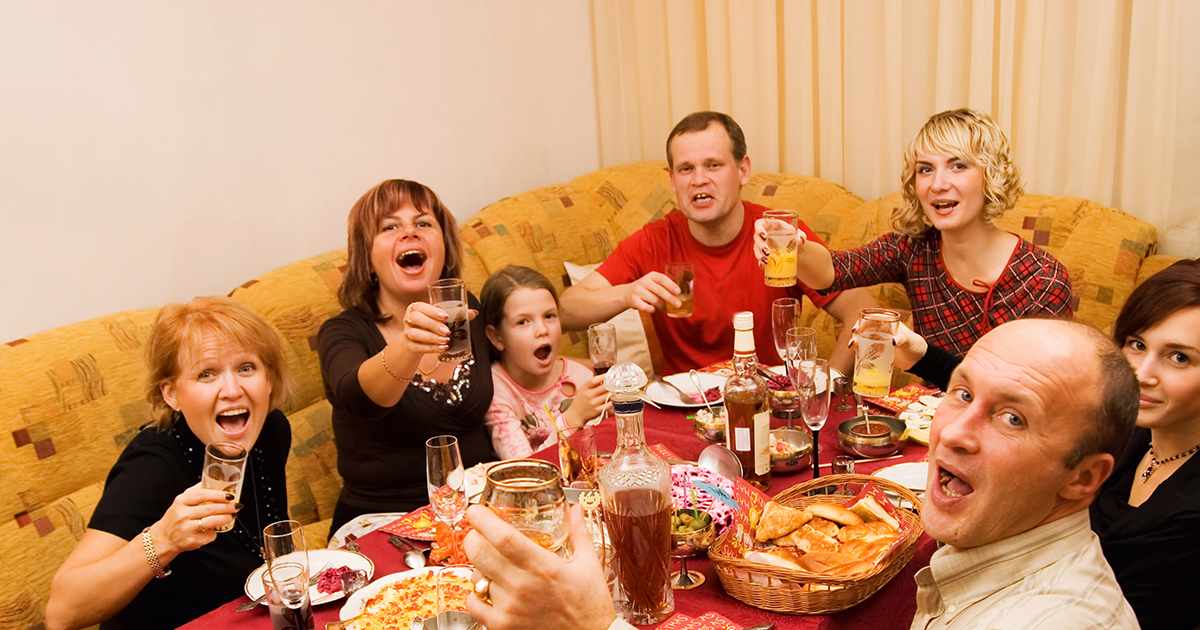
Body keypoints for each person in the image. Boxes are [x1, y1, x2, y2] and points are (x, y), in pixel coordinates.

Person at [461, 318, 1142, 630]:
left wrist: (591, 623)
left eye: (1013, 418)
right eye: (960, 393)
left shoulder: (1049, 619)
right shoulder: (990, 549)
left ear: (1084, 479)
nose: (954, 431)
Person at [560, 111, 875, 376]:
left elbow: (865, 313)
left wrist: (826, 387)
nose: (698, 179)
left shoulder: (778, 235)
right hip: (682, 407)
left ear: (743, 170)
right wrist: (626, 294)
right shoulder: (654, 241)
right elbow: (566, 311)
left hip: (766, 405)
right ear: (672, 181)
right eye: (686, 169)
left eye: (713, 165)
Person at [45, 297, 294, 630]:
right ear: (170, 394)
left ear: (269, 379)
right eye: (207, 374)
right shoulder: (151, 466)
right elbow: (61, 612)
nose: (232, 389)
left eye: (246, 368)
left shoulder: (270, 431)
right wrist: (163, 539)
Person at [767, 108, 1073, 357]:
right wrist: (795, 247)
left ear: (991, 176)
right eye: (926, 169)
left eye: (958, 166)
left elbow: (1038, 391)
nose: (938, 184)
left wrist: (920, 357)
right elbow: (833, 271)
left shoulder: (1042, 280)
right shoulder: (913, 249)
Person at [317, 179, 494, 535]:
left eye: (423, 223)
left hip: (477, 510)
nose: (409, 232)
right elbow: (358, 399)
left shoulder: (465, 308)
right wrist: (408, 345)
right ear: (367, 259)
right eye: (389, 227)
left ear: (444, 249)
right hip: (384, 524)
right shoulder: (341, 332)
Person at [1090, 258, 1200, 630]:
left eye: (1179, 357)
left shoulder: (1189, 514)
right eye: (1137, 344)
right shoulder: (1133, 429)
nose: (1141, 373)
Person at [480, 265, 609, 459]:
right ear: (496, 337)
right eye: (523, 322)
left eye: (549, 316)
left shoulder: (582, 377)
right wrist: (573, 418)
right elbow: (524, 467)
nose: (542, 330)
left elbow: (601, 452)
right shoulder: (494, 390)